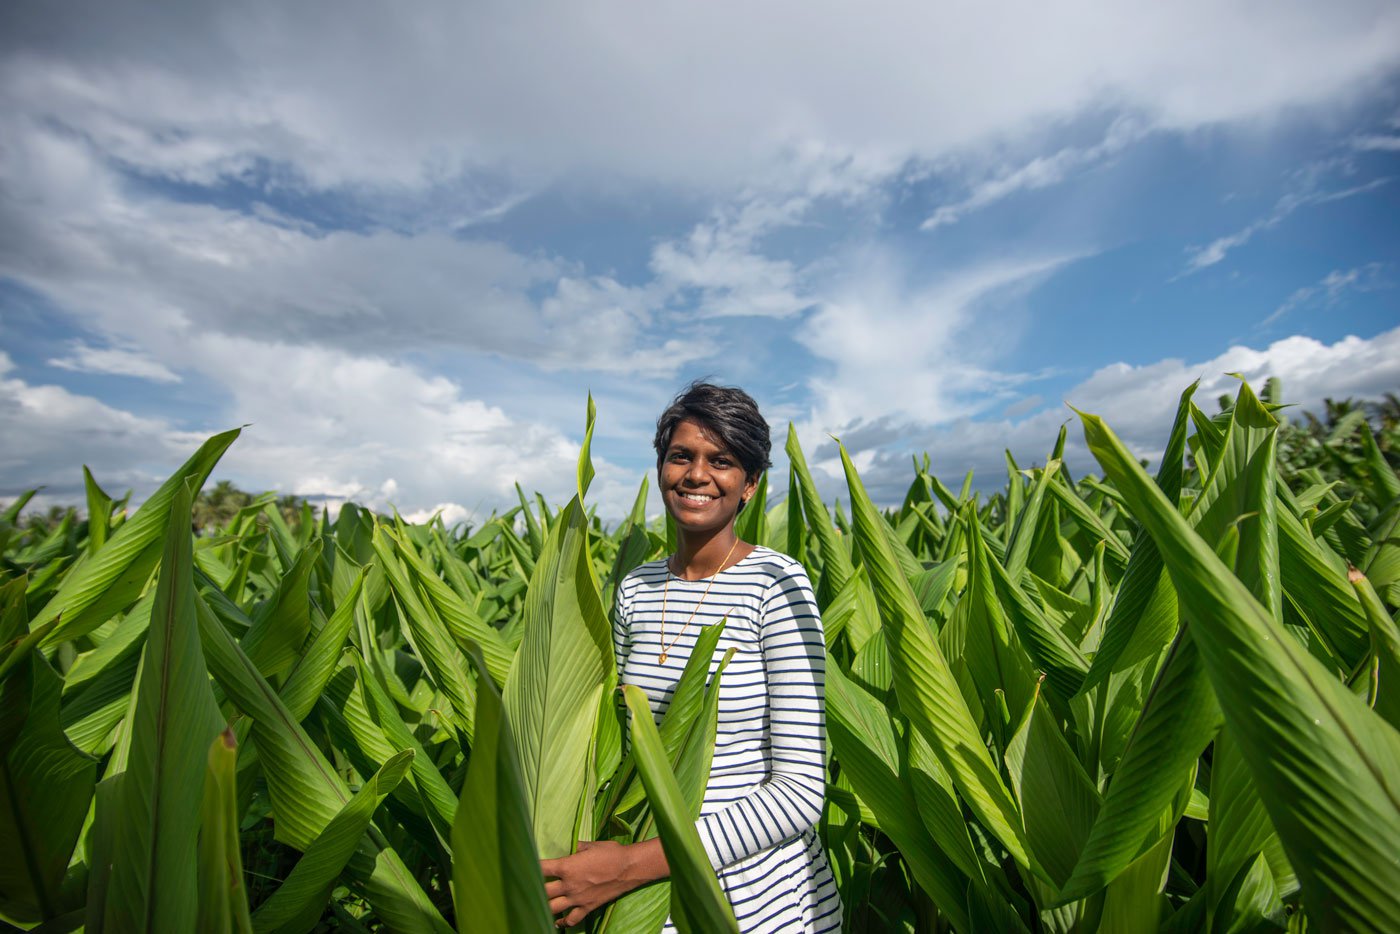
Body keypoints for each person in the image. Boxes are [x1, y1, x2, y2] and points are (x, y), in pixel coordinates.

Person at [541, 381, 841, 933]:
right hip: (651, 898)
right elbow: (618, 743)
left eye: (721, 461)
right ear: (661, 469)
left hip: (759, 900)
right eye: (681, 456)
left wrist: (629, 866)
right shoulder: (634, 588)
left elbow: (800, 793)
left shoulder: (774, 584)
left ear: (750, 484)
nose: (697, 474)